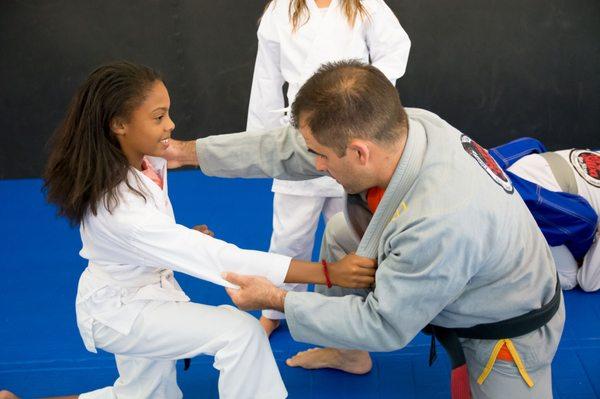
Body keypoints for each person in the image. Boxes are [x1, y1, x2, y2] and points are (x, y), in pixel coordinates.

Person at [165, 60, 565, 398]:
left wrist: (279, 299)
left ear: (358, 152)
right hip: (461, 262)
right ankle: (347, 353)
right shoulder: (407, 126)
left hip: (508, 322)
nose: (316, 166)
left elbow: (384, 324)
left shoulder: (438, 220)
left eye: (321, 157)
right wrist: (186, 153)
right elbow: (289, 150)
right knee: (342, 233)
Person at [23, 61, 376, 399]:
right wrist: (328, 272)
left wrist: (171, 237)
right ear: (119, 125)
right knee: (241, 334)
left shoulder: (144, 162)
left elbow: (145, 233)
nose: (171, 124)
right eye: (159, 117)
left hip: (141, 289)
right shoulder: (118, 208)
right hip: (122, 313)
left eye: (168, 112)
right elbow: (218, 257)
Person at [247, 0, 411, 335]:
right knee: (289, 235)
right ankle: (274, 308)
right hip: (301, 135)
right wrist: (260, 142)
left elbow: (395, 47)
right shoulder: (281, 9)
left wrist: (362, 100)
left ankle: (348, 315)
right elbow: (266, 78)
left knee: (351, 231)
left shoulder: (364, 5)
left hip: (351, 136)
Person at [489, 138, 599, 291]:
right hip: (531, 200)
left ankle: (515, 244)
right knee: (569, 278)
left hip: (515, 170)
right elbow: (589, 282)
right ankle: (506, 260)